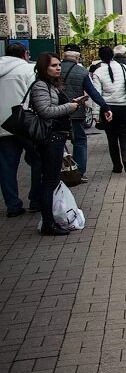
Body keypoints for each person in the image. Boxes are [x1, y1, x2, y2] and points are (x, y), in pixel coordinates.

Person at [30, 53, 84, 235]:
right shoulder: (40, 86)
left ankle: (51, 219)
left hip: (57, 136)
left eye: (59, 64)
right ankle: (48, 223)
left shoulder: (51, 85)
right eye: (53, 65)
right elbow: (45, 111)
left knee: (52, 180)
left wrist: (71, 103)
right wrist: (70, 107)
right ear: (44, 67)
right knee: (50, 181)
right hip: (49, 138)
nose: (58, 68)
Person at [0, 42, 41, 218]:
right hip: (25, 124)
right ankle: (36, 199)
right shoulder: (28, 70)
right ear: (25, 54)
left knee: (6, 167)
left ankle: (13, 205)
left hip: (3, 126)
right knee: (38, 160)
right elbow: (36, 96)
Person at [61, 44, 111, 183]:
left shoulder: (53, 69)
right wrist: (105, 107)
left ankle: (58, 171)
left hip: (56, 113)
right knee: (80, 141)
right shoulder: (81, 72)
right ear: (77, 57)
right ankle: (79, 173)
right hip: (76, 112)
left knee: (58, 142)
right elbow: (93, 92)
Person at [91, 46, 126, 174]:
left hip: (107, 109)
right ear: (113, 55)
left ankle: (117, 166)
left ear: (100, 57)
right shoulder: (123, 68)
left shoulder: (98, 72)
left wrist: (95, 113)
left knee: (112, 138)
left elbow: (97, 94)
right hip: (123, 107)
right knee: (125, 135)